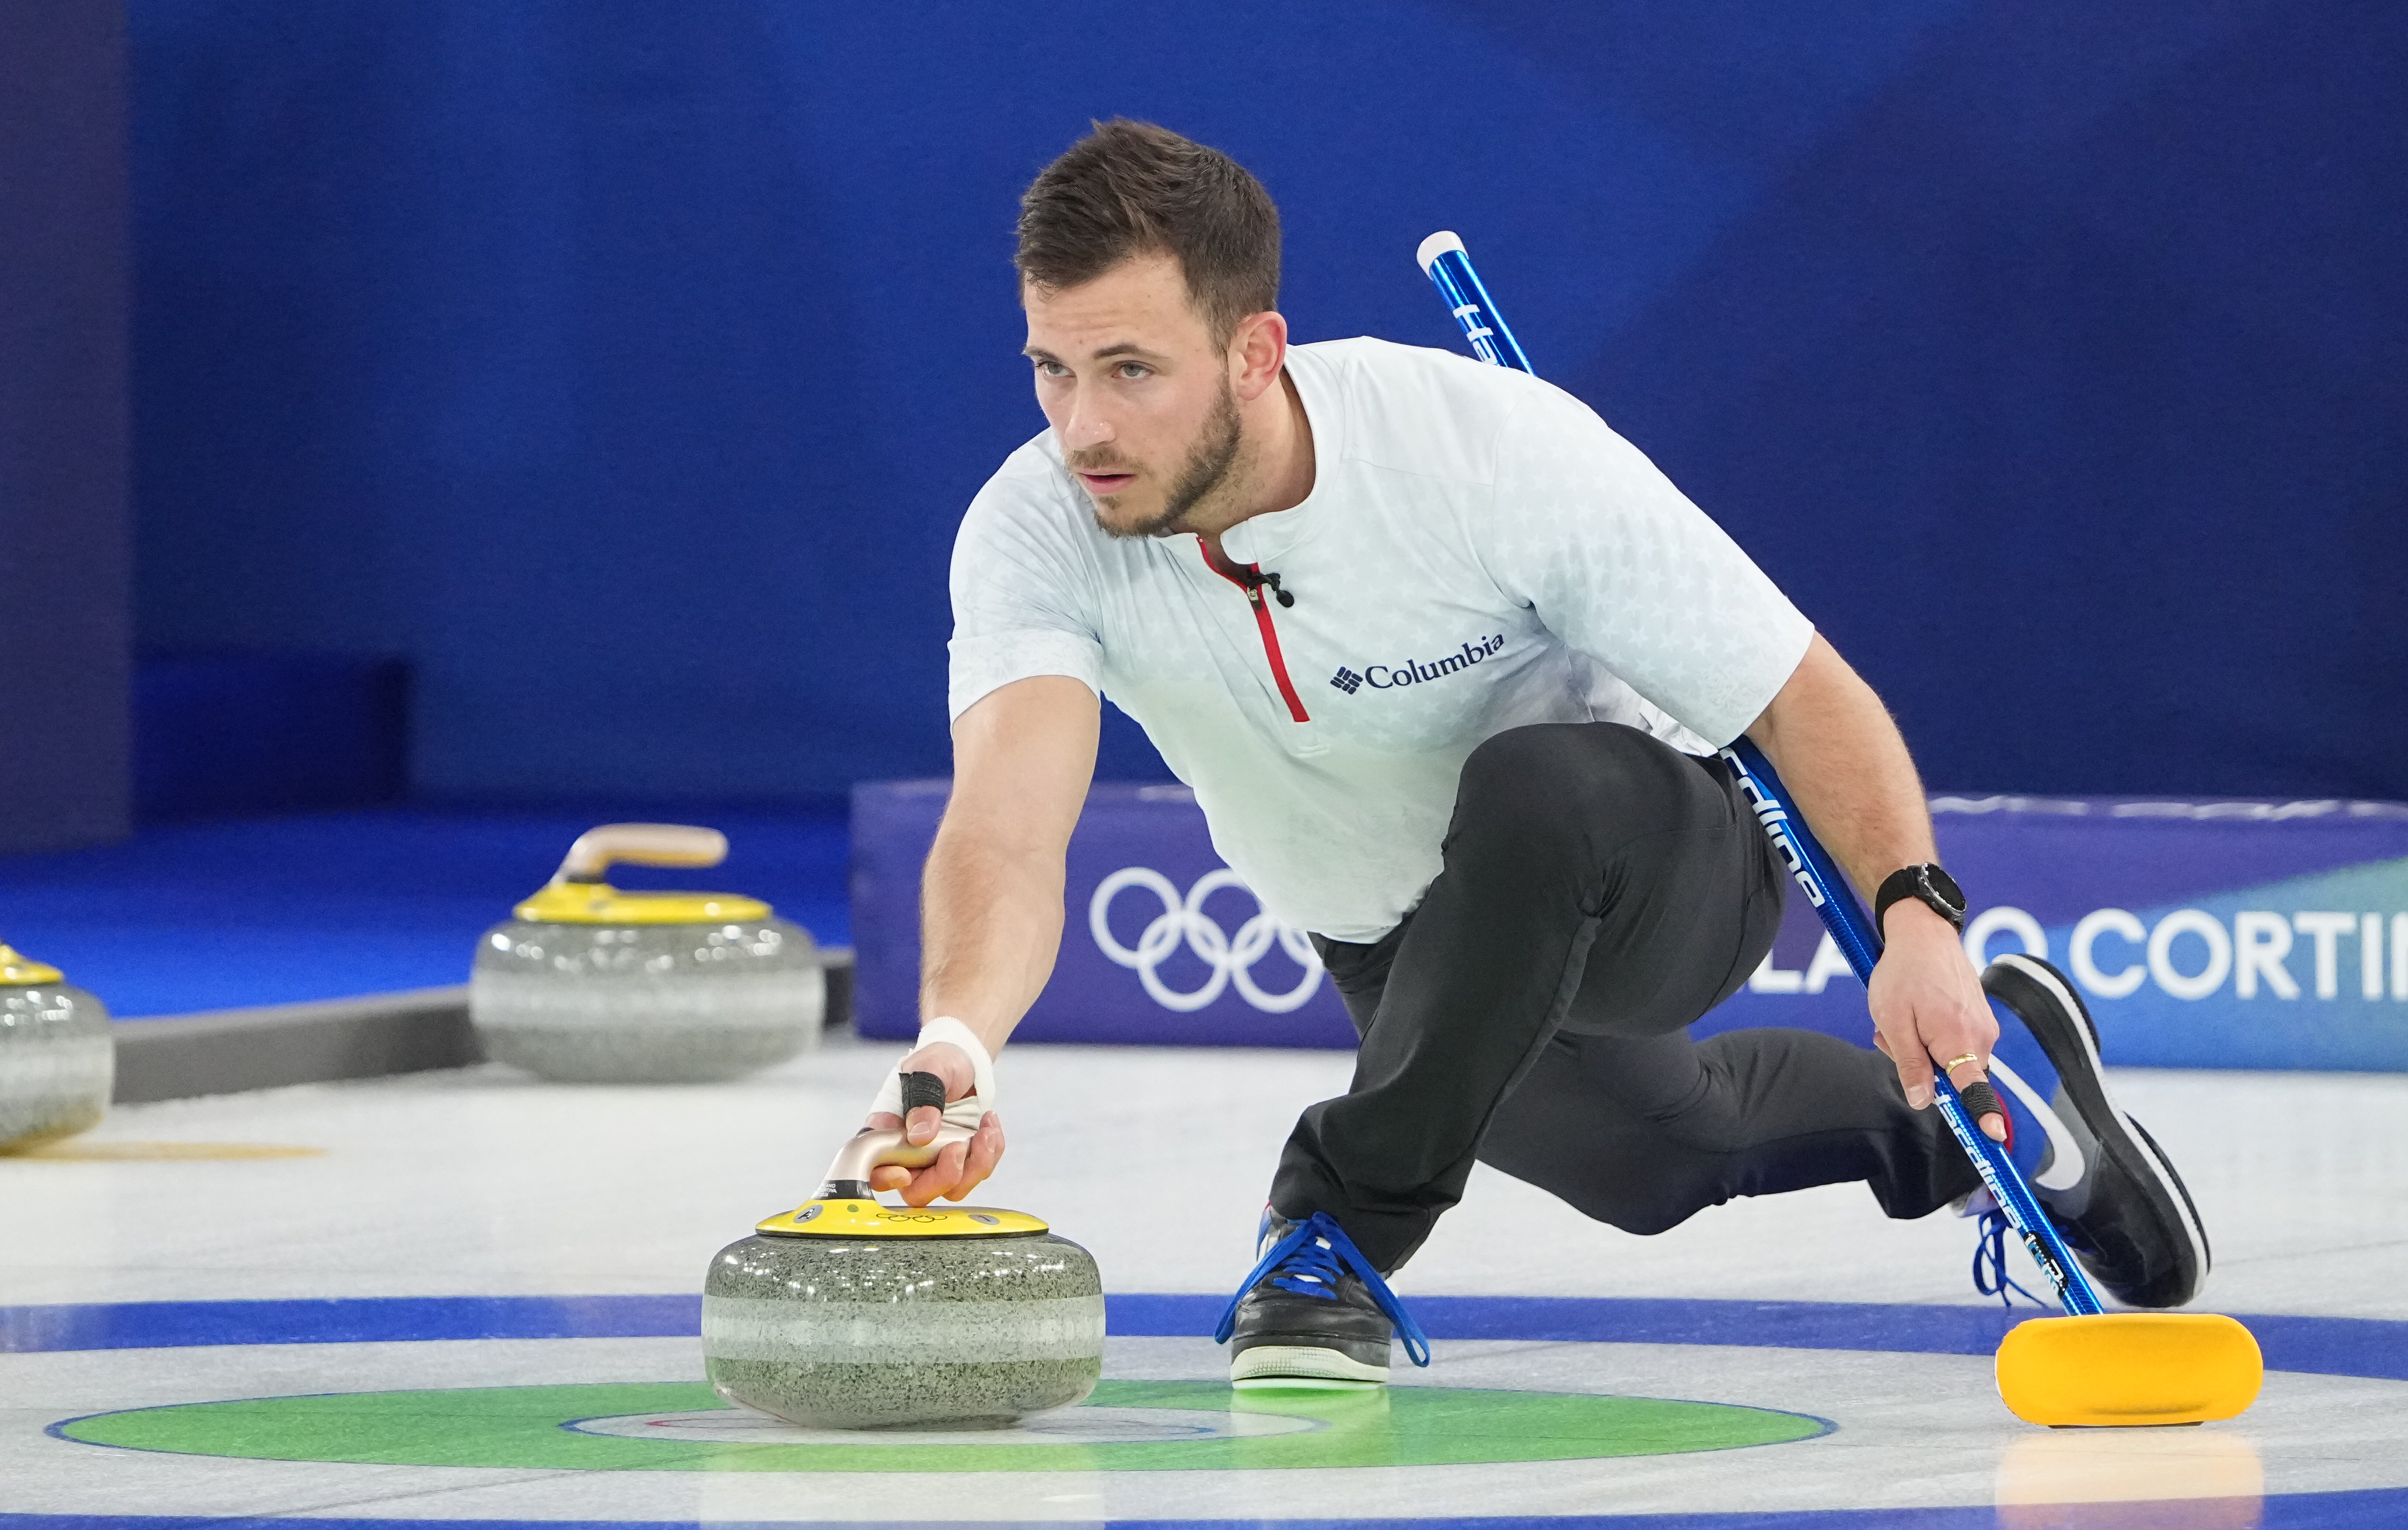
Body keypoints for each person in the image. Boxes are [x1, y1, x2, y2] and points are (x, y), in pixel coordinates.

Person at [861, 119, 2209, 1382]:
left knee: (1536, 786)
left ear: (1257, 352)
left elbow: (1803, 693)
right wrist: (958, 1039)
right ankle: (1992, 1115)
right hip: (1404, 937)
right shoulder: (1038, 528)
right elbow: (1006, 826)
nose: (1082, 427)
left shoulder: (1478, 453)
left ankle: (1336, 1227)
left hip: (1653, 854)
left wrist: (1916, 921)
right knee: (1660, 1165)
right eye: (1053, 368)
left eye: (1131, 371)